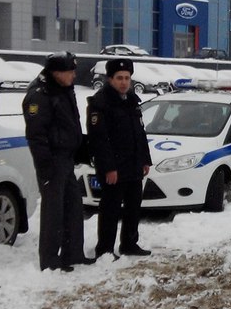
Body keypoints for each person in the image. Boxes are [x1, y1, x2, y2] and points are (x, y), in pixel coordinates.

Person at [23, 51, 87, 272]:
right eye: (70, 72)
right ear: (56, 72)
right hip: (52, 161)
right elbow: (36, 136)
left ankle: (73, 254)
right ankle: (50, 260)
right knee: (53, 212)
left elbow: (70, 123)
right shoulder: (40, 95)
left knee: (73, 207)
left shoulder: (63, 89)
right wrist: (46, 167)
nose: (73, 76)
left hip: (66, 159)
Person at [86, 58, 153, 260]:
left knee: (133, 207)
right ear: (110, 79)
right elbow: (99, 139)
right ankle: (105, 249)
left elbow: (139, 133)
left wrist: (145, 160)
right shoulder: (100, 103)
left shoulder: (131, 101)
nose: (124, 82)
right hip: (114, 167)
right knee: (110, 209)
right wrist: (108, 168)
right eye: (119, 78)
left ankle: (129, 243)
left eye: (127, 78)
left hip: (133, 164)